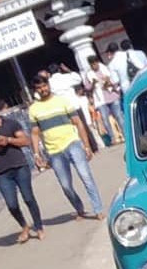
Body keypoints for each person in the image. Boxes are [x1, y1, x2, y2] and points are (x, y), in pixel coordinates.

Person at [28, 75, 104, 220]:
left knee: (86, 176)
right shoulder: (34, 109)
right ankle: (79, 208)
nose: (43, 89)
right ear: (35, 90)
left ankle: (98, 208)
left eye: (44, 85)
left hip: (72, 143)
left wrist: (86, 146)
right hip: (54, 151)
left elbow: (78, 122)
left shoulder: (62, 101)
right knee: (65, 186)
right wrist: (36, 154)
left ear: (48, 85)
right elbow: (35, 133)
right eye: (39, 88)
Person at [0, 98, 44, 244]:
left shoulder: (11, 123)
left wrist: (8, 140)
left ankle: (38, 226)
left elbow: (25, 141)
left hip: (19, 165)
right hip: (2, 171)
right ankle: (24, 226)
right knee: (11, 204)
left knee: (28, 198)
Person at [84, 55, 124, 145]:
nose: (94, 66)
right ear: (90, 65)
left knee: (119, 116)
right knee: (105, 120)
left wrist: (108, 81)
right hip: (100, 100)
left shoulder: (105, 69)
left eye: (95, 63)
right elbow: (87, 88)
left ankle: (126, 135)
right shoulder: (88, 74)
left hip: (112, 96)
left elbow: (114, 81)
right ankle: (113, 138)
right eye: (92, 64)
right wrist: (93, 83)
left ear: (97, 62)